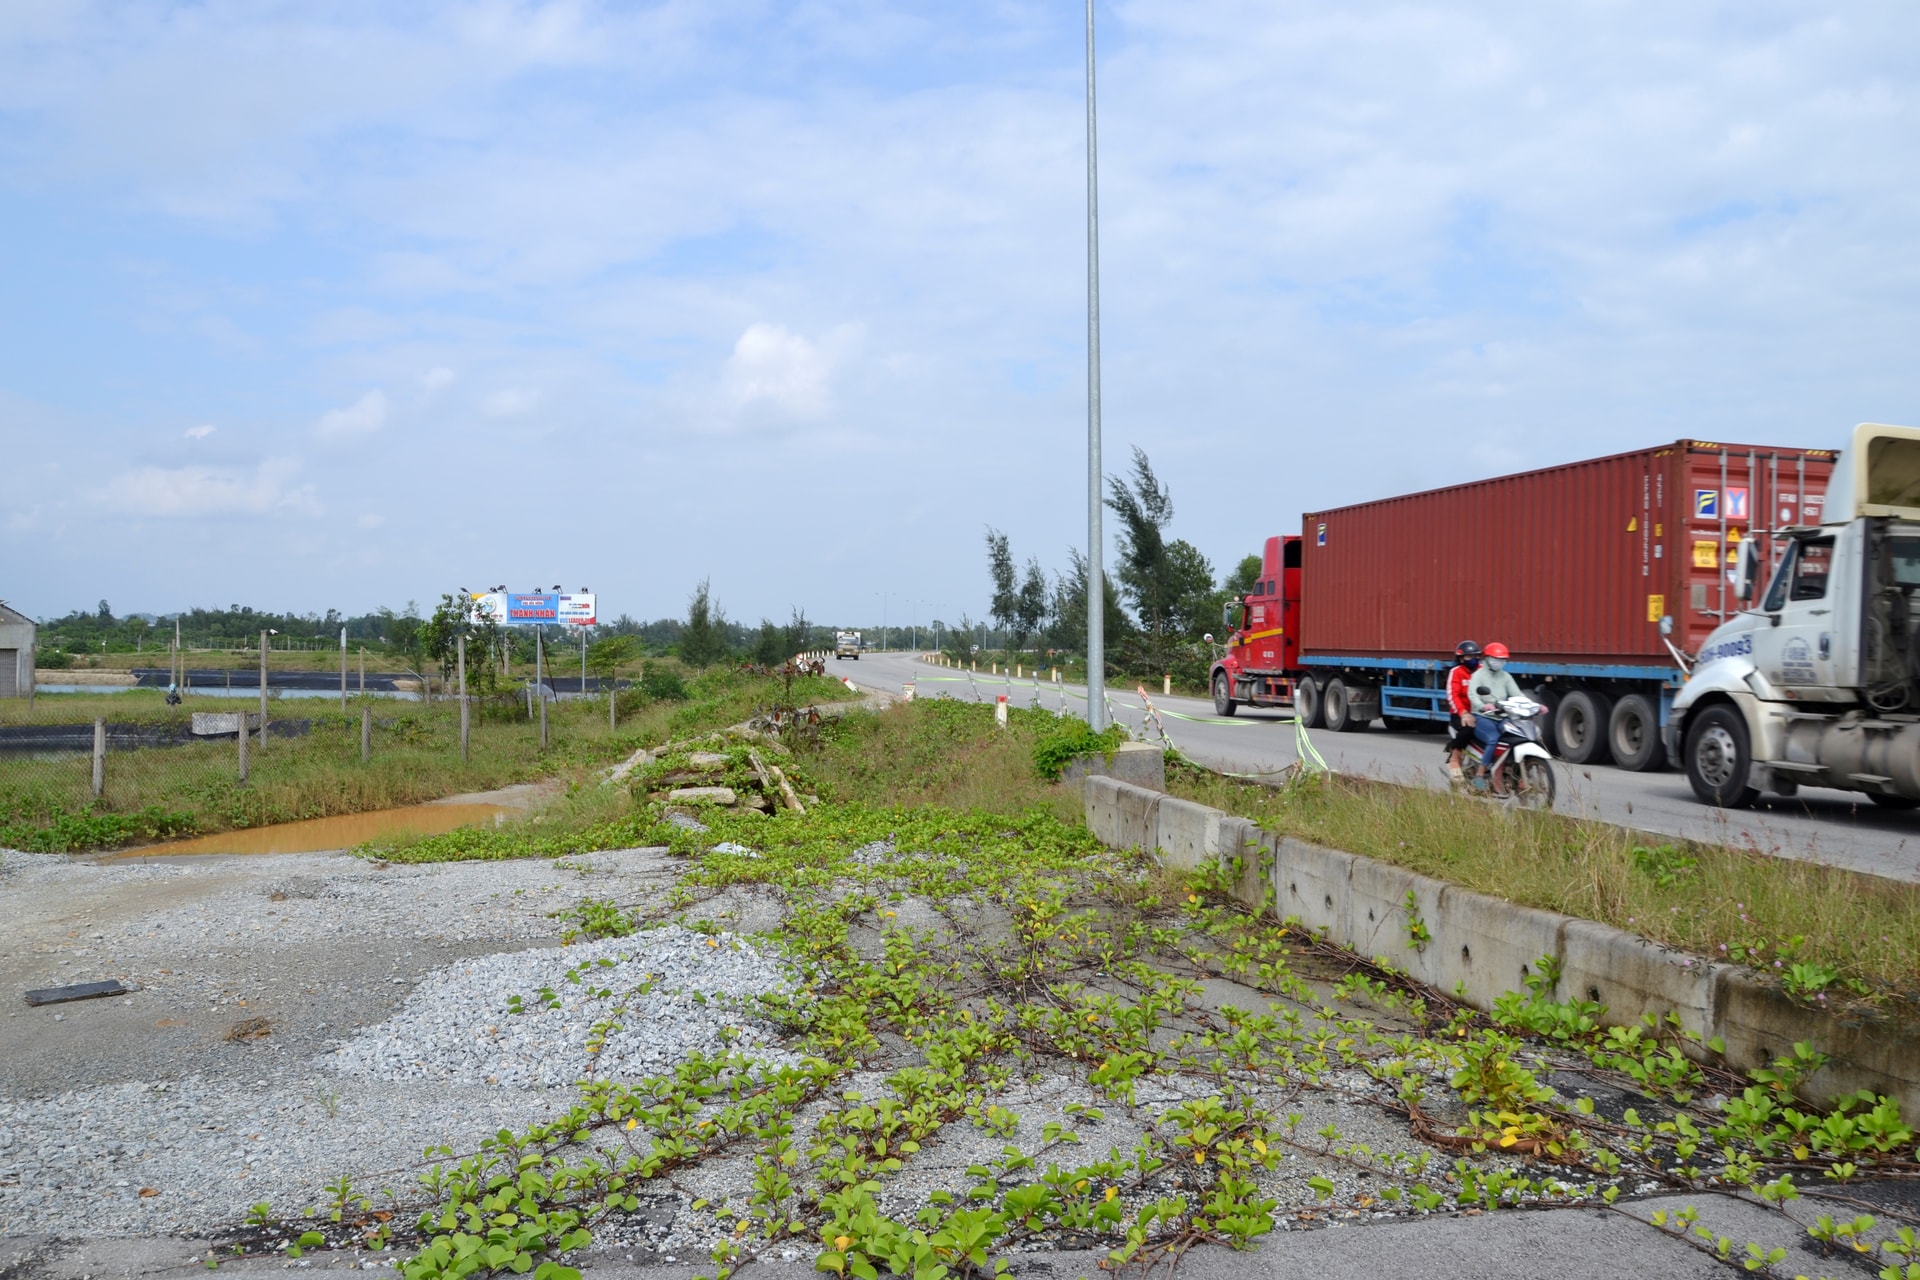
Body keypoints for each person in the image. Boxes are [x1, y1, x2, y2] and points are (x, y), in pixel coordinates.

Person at [1469, 642, 1522, 793]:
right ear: (1487, 658)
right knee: (1493, 738)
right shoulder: (1478, 675)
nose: (1499, 662)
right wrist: (1482, 706)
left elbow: (1518, 694)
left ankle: (1510, 769)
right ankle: (1480, 775)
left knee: (1517, 735)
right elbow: (1472, 694)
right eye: (1495, 659)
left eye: (1502, 659)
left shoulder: (1506, 677)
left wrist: (1534, 706)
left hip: (1502, 717)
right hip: (1482, 717)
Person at [1444, 641, 1482, 783]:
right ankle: (1454, 757)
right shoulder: (1456, 672)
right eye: (1468, 656)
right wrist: (1464, 713)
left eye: (1475, 656)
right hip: (1460, 715)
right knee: (1468, 730)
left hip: (1481, 713)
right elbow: (1452, 695)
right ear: (1461, 658)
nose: (1473, 659)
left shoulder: (1483, 671)